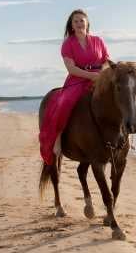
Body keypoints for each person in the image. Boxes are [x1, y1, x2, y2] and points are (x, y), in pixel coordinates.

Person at [39, 9, 110, 165]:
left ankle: (126, 136)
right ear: (71, 26)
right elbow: (71, 68)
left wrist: (102, 74)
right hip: (77, 79)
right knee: (64, 101)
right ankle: (58, 138)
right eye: (75, 21)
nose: (79, 23)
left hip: (100, 77)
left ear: (87, 23)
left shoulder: (98, 40)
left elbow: (106, 61)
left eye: (81, 20)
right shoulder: (68, 44)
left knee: (119, 96)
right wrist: (91, 76)